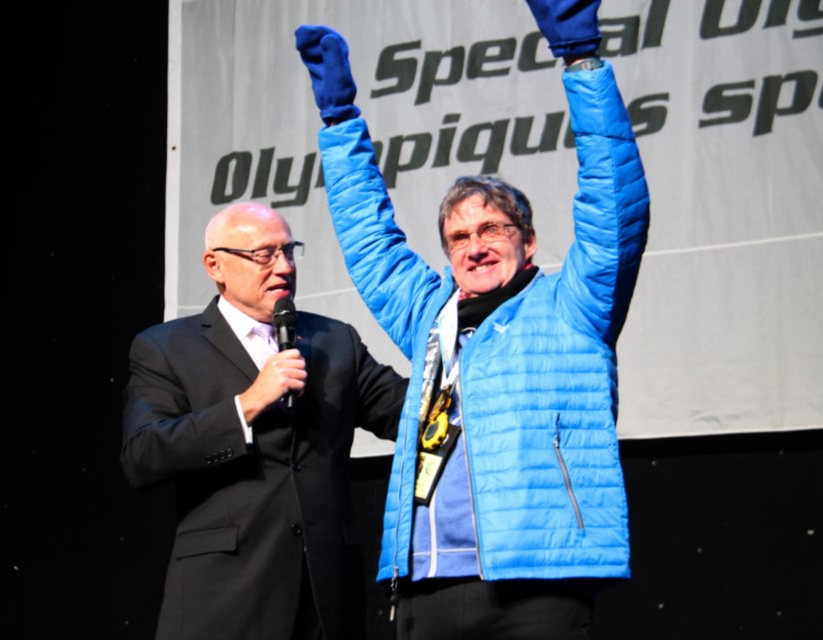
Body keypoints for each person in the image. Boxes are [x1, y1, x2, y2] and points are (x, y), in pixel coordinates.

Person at [294, 1, 650, 637]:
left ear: (529, 241)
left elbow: (613, 201)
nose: (475, 245)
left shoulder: (573, 305)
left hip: (535, 583)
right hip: (425, 580)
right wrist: (340, 122)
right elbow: (370, 241)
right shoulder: (431, 316)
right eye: (458, 237)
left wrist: (582, 62)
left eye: (492, 228)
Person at [121, 202, 408, 640]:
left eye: (289, 252)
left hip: (326, 596)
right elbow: (144, 454)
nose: (284, 267)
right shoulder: (165, 347)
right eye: (264, 255)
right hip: (224, 595)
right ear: (215, 265)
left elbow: (408, 413)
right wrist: (247, 405)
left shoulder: (334, 340)